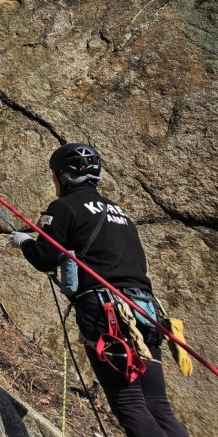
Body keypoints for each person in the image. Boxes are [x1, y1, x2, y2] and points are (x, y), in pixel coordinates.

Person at [11, 143, 188, 437]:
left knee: (130, 404)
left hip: (107, 313)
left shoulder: (64, 207)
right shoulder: (120, 213)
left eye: (55, 176)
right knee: (158, 405)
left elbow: (44, 257)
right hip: (145, 312)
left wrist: (25, 242)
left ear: (64, 177)